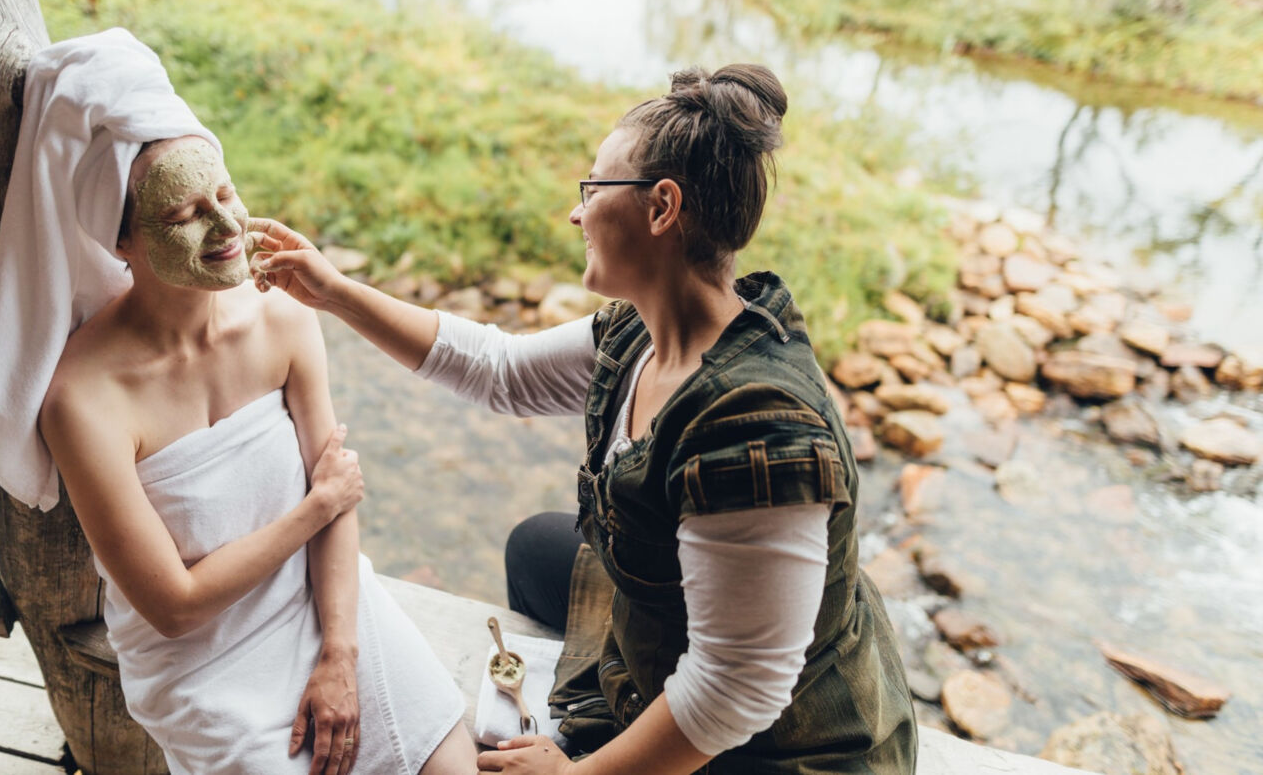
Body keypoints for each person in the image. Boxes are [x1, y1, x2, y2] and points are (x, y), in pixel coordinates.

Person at [251, 64, 918, 774]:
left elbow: (738, 689)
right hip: (709, 641)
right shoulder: (644, 334)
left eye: (594, 189)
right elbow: (499, 369)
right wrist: (335, 292)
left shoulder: (757, 427)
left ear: (662, 208)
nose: (577, 213)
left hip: (786, 743)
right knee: (536, 550)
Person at [0, 30, 474, 775]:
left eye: (227, 194)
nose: (230, 229)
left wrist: (340, 651)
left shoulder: (283, 318)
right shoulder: (83, 399)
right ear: (122, 243)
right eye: (184, 216)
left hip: (327, 600)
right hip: (201, 658)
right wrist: (314, 506)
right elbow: (171, 604)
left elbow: (341, 506)